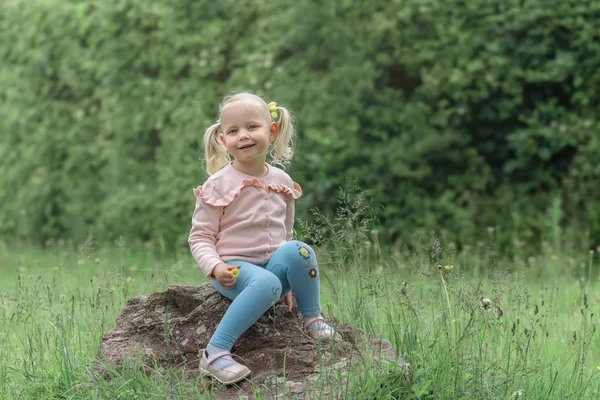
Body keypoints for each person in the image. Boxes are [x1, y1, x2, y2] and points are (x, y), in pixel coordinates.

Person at [188, 92, 335, 385]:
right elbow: (200, 236)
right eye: (233, 131)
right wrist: (215, 267)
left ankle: (311, 316)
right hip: (233, 270)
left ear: (272, 131)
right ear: (222, 140)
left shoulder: (281, 180)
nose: (243, 136)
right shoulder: (217, 184)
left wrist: (291, 281)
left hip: (270, 268)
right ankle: (215, 352)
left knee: (301, 250)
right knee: (266, 283)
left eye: (251, 127)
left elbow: (286, 235)